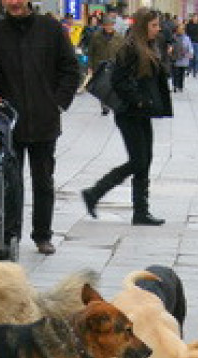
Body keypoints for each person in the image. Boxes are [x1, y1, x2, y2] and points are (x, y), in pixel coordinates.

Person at [0, 0, 79, 256]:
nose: (14, 3)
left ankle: (43, 235)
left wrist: (58, 102)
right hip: (9, 119)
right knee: (11, 181)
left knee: (43, 181)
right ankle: (9, 234)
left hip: (45, 119)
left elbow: (70, 68)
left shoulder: (51, 29)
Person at [80, 7, 173, 227]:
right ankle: (94, 192)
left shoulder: (150, 46)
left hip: (143, 112)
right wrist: (139, 99)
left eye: (158, 25)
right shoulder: (129, 49)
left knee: (145, 160)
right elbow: (119, 81)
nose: (158, 29)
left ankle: (141, 211)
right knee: (138, 160)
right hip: (129, 112)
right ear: (143, 26)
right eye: (154, 25)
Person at [87, 15, 125, 115]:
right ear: (103, 26)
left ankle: (111, 103)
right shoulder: (96, 36)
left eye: (110, 25)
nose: (108, 27)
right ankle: (105, 106)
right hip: (99, 66)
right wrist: (90, 66)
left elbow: (123, 53)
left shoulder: (119, 38)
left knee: (113, 86)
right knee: (102, 87)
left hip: (114, 65)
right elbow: (91, 52)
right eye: (106, 25)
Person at [170, 22, 193, 92]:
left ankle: (180, 86)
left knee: (182, 73)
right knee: (175, 73)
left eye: (182, 29)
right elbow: (170, 46)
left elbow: (190, 47)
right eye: (180, 29)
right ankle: (175, 85)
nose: (181, 30)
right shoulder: (173, 37)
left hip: (183, 58)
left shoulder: (187, 38)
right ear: (176, 29)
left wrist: (190, 53)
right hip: (175, 58)